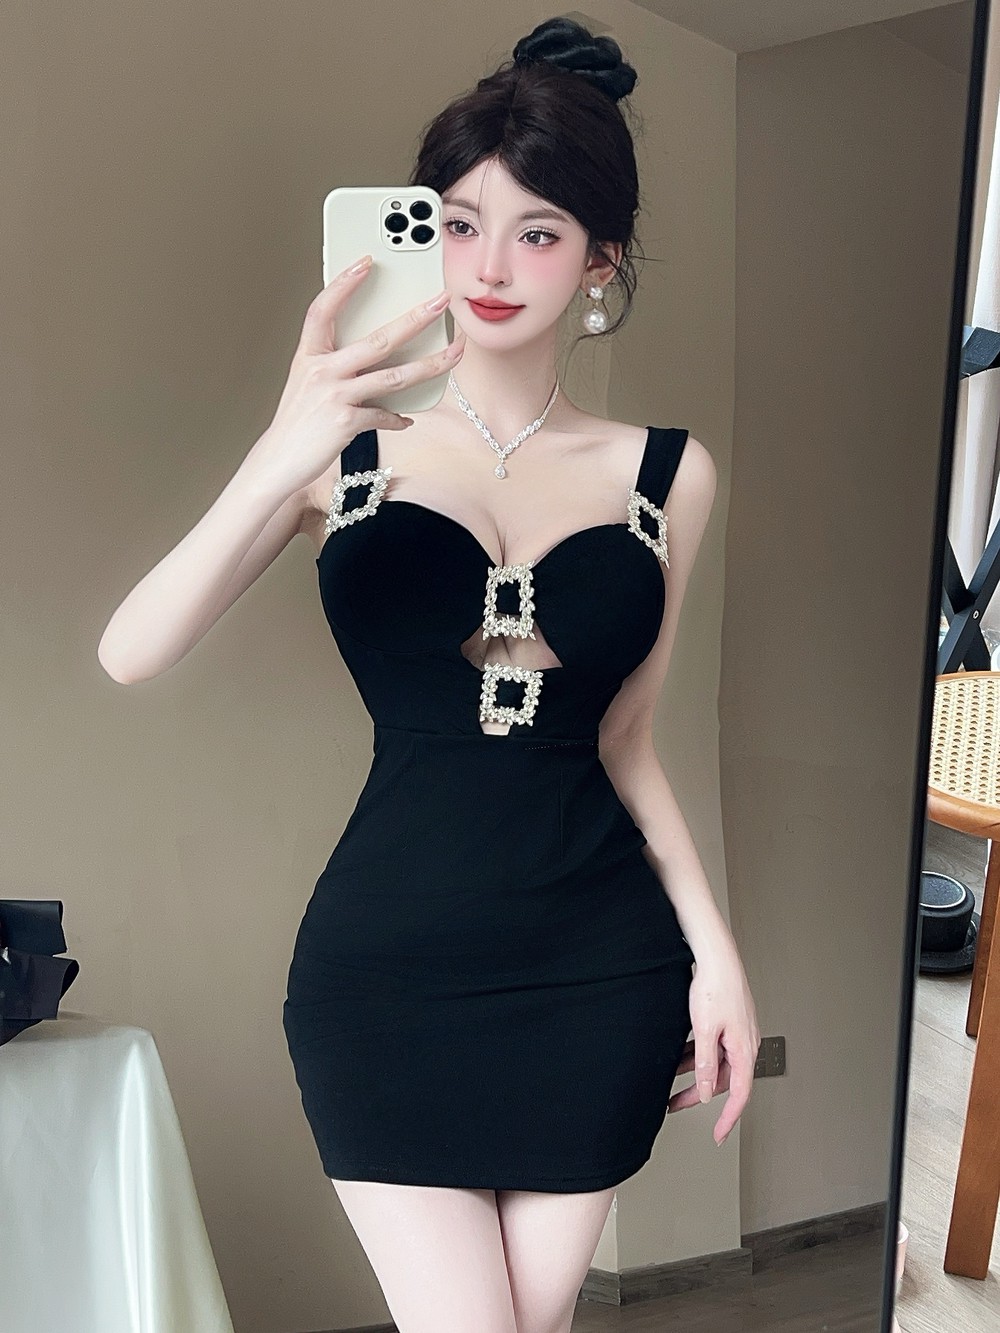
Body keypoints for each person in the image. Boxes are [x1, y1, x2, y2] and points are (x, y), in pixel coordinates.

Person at [98, 15, 760, 1333]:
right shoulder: (340, 456)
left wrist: (717, 954)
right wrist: (283, 445)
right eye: (458, 224)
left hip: (599, 975)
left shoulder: (667, 475)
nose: (492, 266)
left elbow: (626, 737)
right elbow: (132, 650)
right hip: (386, 975)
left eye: (538, 231)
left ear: (600, 258)